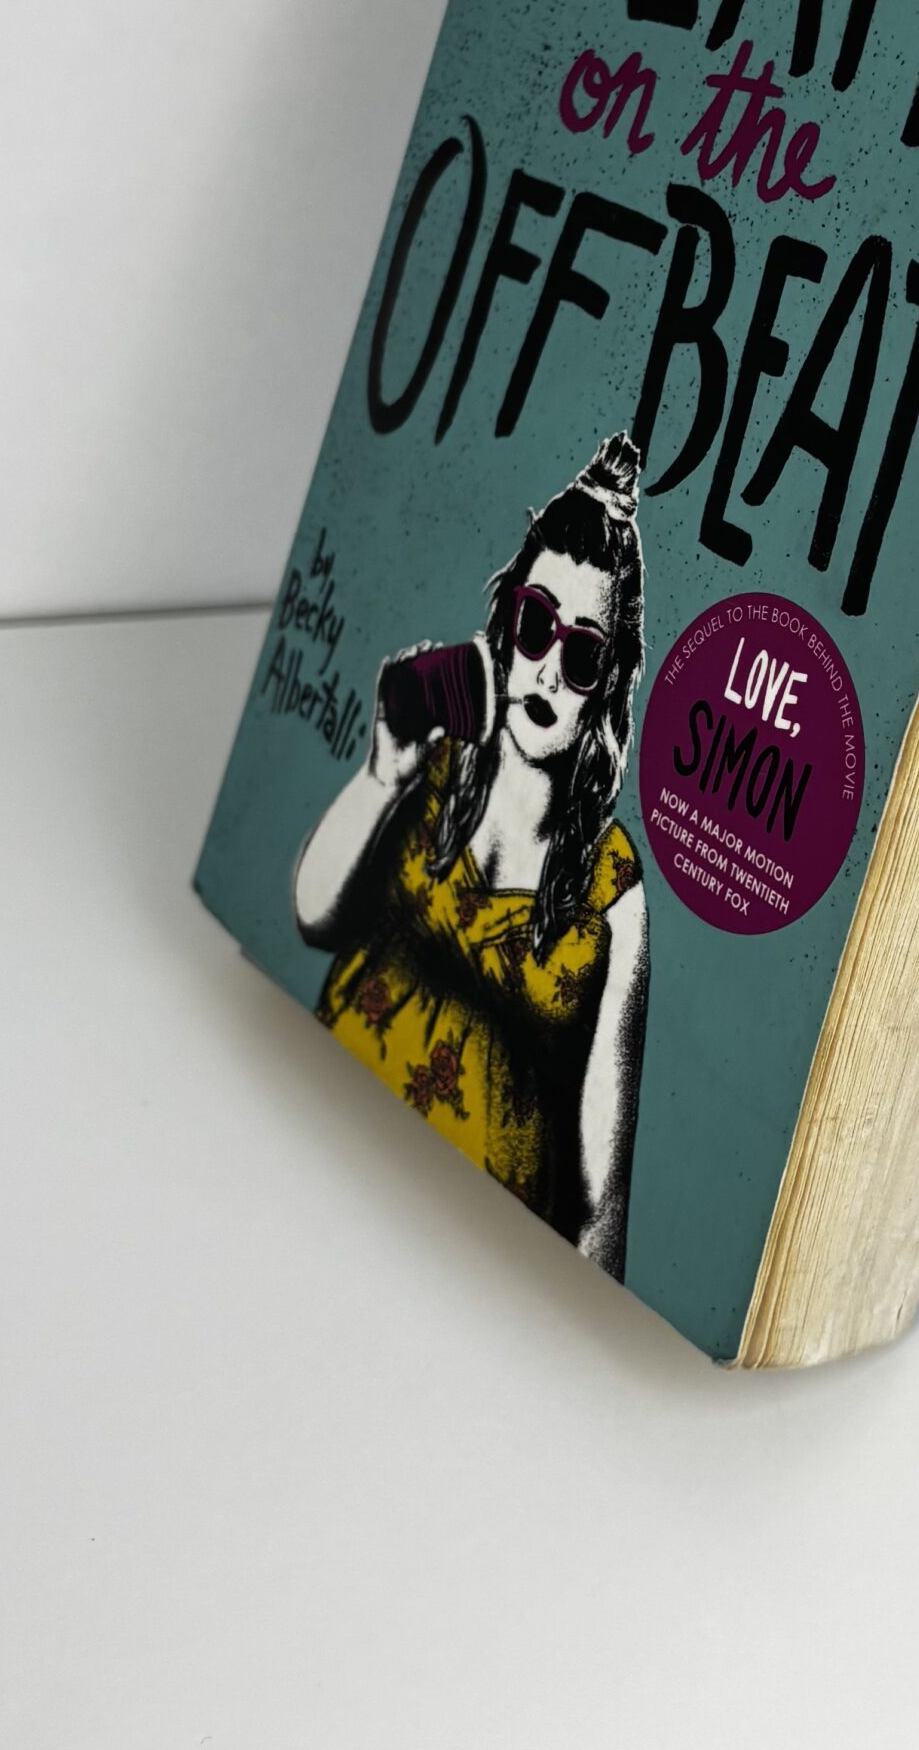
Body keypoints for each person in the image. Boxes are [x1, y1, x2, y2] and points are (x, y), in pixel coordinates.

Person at [293, 435, 651, 1277]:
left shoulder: (615, 895)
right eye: (537, 625)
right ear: (507, 622)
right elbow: (312, 913)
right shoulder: (430, 762)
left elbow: (601, 1201)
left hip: (472, 1261)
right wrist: (383, 775)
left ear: (608, 684)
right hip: (319, 1140)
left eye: (583, 653)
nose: (549, 671)